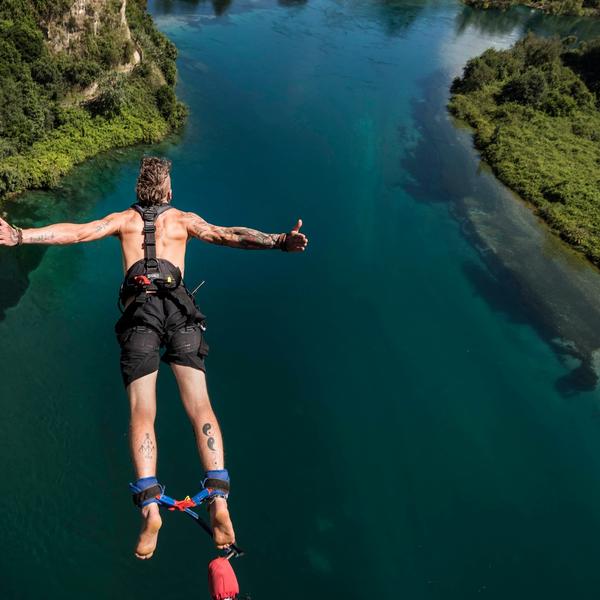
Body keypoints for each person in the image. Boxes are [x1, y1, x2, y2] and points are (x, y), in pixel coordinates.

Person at [0, 156, 308, 560]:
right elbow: (228, 234)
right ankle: (218, 500)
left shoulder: (123, 221)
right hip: (180, 313)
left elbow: (73, 234)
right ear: (168, 192)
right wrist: (277, 241)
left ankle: (150, 505)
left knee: (143, 412)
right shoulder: (183, 220)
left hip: (140, 316)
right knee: (200, 406)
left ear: (138, 192)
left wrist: (21, 235)